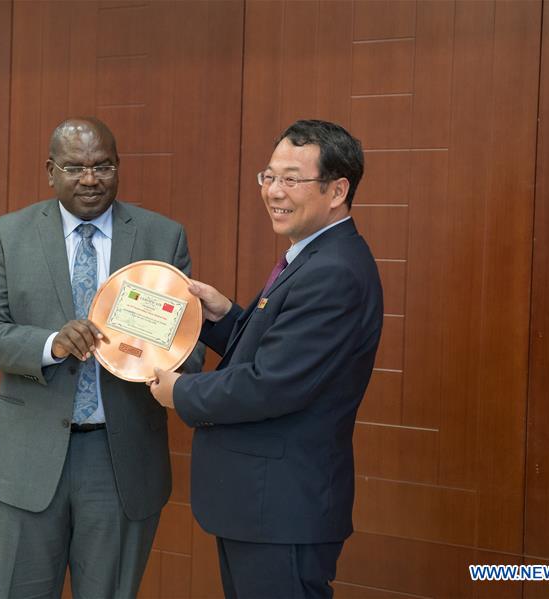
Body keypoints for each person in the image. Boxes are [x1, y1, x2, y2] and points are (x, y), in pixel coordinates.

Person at [0, 117, 203, 599]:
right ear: (50, 171)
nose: (91, 179)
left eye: (103, 166)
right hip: (29, 457)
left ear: (118, 168)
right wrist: (50, 343)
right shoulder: (10, 235)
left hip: (119, 459)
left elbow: (189, 351)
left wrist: (150, 356)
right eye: (75, 167)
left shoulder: (162, 237)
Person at [150, 120, 383, 598]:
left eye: (291, 179)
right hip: (262, 506)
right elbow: (283, 352)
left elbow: (273, 384)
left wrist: (181, 392)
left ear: (337, 190)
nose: (274, 191)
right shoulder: (314, 256)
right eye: (269, 176)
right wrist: (223, 316)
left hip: (281, 508)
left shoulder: (333, 271)